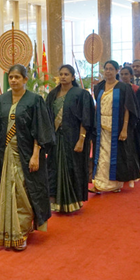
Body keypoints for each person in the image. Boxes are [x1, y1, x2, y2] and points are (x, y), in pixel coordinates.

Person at [0, 64, 55, 251]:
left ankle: (22, 231)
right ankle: (8, 230)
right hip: (5, 154)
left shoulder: (34, 100)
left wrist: (36, 155)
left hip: (26, 154)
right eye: (11, 77)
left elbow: (40, 129)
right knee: (8, 191)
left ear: (25, 79)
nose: (14, 80)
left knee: (23, 192)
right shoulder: (0, 101)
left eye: (17, 77)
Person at [45, 65, 95, 213]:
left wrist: (82, 139)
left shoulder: (81, 94)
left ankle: (73, 201)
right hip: (56, 139)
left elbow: (86, 118)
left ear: (73, 77)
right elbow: (47, 117)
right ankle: (55, 201)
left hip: (73, 138)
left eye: (66, 74)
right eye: (61, 74)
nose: (63, 77)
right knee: (54, 168)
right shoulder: (52, 95)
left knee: (73, 168)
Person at [92, 60, 140, 193]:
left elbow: (127, 109)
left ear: (116, 71)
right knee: (102, 155)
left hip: (117, 126)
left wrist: (124, 128)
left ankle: (115, 183)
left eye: (111, 69)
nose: (108, 72)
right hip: (101, 126)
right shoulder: (99, 87)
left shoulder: (123, 87)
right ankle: (100, 183)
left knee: (115, 155)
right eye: (106, 69)